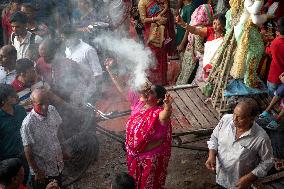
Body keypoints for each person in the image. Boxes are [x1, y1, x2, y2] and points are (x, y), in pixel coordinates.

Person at [205, 98, 274, 189]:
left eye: (240, 117)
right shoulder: (226, 120)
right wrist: (211, 155)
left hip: (240, 183)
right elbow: (214, 137)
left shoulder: (261, 138)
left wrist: (249, 177)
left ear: (252, 119)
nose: (234, 119)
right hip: (220, 174)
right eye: (234, 114)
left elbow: (267, 161)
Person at [126, 82, 173, 189]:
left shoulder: (159, 112)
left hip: (150, 160)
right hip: (135, 157)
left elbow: (164, 116)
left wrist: (168, 107)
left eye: (151, 92)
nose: (147, 93)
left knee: (148, 186)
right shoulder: (140, 105)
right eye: (147, 91)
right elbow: (139, 91)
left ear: (158, 100)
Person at [21, 88, 64, 189]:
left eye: (47, 102)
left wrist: (64, 147)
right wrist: (37, 171)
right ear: (32, 103)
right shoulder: (28, 124)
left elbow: (59, 129)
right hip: (43, 173)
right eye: (41, 104)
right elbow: (27, 150)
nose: (45, 106)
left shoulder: (52, 109)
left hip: (57, 164)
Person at [176, 13, 226, 81]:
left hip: (218, 66)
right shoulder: (210, 31)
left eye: (218, 24)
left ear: (223, 25)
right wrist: (183, 24)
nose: (215, 26)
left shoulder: (226, 36)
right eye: (214, 23)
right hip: (207, 63)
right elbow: (195, 30)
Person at [60, 24, 103, 101]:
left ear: (74, 36)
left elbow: (98, 74)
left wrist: (95, 95)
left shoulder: (88, 50)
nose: (64, 41)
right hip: (76, 93)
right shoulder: (67, 49)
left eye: (66, 38)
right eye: (63, 38)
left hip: (89, 94)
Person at [176, 4, 214, 85]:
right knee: (189, 77)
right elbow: (199, 48)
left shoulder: (194, 23)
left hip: (189, 52)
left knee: (184, 75)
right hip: (194, 58)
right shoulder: (201, 28)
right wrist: (211, 50)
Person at [0, 84, 29, 186]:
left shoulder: (20, 110)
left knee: (28, 181)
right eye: (11, 95)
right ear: (3, 100)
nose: (15, 96)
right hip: (9, 161)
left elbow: (28, 131)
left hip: (25, 155)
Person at [138, 0, 169, 85]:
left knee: (162, 55)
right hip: (151, 33)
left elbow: (163, 9)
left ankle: (162, 81)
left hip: (161, 31)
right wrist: (156, 19)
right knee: (153, 56)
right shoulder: (142, 3)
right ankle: (154, 82)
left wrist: (164, 11)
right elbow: (143, 20)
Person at [266, 17, 284, 93]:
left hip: (275, 77)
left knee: (271, 96)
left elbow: (269, 53)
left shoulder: (275, 43)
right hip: (282, 78)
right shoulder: (276, 42)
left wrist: (267, 46)